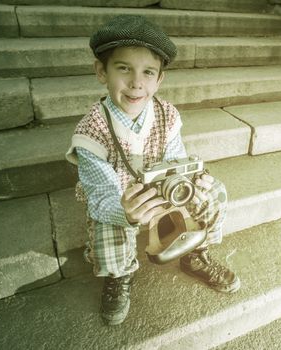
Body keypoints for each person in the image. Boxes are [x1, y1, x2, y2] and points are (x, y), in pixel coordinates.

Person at [66, 15, 240, 326]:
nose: (136, 83)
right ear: (100, 72)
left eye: (148, 72)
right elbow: (102, 197)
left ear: (159, 80)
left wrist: (192, 182)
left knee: (213, 191)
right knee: (108, 223)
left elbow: (176, 161)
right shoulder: (90, 132)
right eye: (123, 69)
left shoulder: (166, 114)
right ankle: (119, 275)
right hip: (120, 200)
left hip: (162, 193)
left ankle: (195, 252)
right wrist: (129, 214)